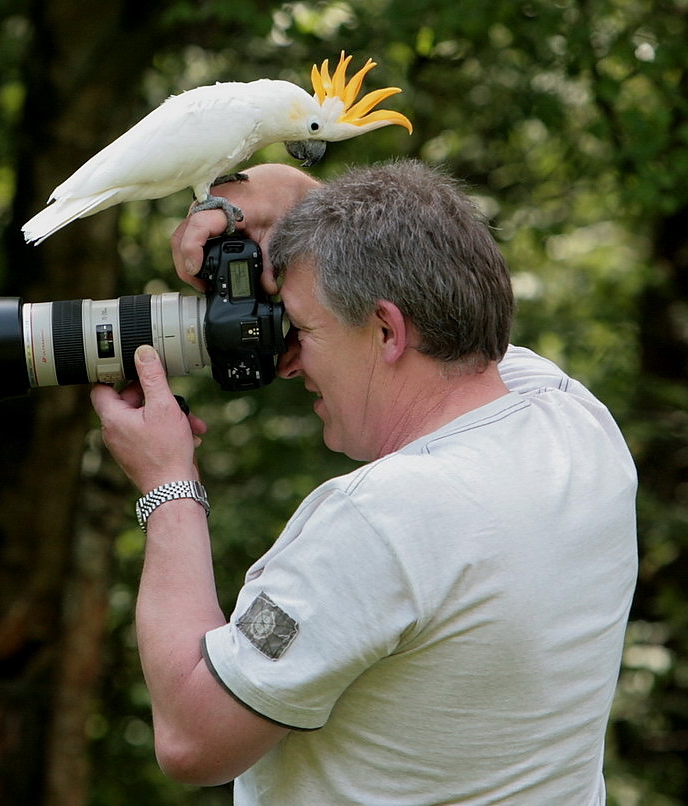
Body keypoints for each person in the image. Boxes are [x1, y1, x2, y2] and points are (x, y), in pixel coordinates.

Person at [90, 159, 638, 805]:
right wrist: (300, 201)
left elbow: (193, 739)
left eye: (303, 328)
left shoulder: (385, 519)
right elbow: (421, 263)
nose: (288, 362)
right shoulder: (570, 419)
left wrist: (167, 484)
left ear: (385, 329)